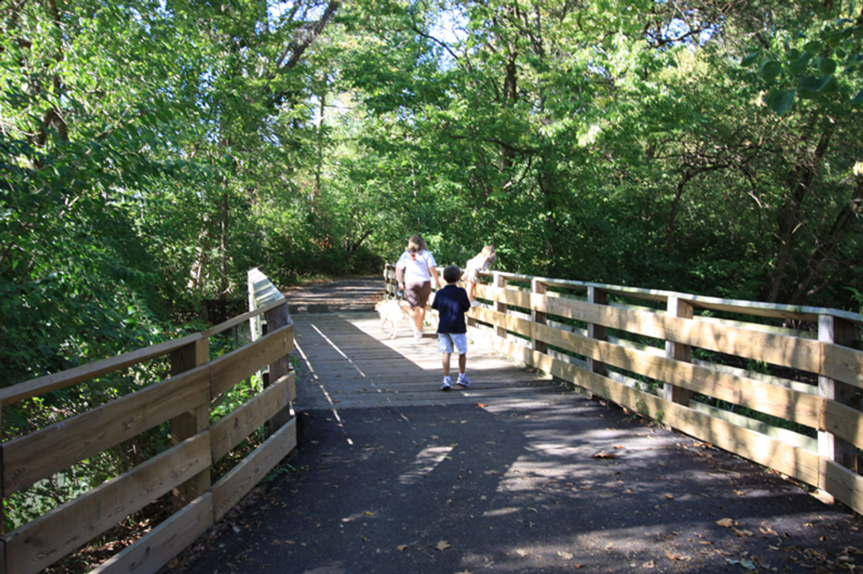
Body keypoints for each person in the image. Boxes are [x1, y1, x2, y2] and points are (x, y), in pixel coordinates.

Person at [432, 264, 472, 391]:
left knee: (446, 352)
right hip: (458, 326)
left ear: (443, 277)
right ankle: (461, 376)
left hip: (444, 326)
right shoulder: (461, 292)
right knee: (462, 352)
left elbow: (435, 306)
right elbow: (466, 307)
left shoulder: (440, 293)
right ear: (459, 278)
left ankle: (446, 379)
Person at [395, 234, 441, 339]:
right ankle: (420, 327)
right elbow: (432, 269)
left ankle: (418, 331)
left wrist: (400, 282)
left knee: (415, 307)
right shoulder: (427, 254)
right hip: (424, 282)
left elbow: (398, 269)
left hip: (410, 282)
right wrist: (437, 281)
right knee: (422, 306)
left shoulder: (405, 255)